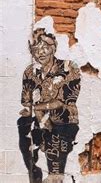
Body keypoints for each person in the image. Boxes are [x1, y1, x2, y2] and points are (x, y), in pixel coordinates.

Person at [17, 28, 81, 183]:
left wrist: (37, 109)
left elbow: (63, 101)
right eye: (36, 49)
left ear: (54, 48)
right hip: (40, 123)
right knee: (23, 127)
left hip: (64, 123)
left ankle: (55, 175)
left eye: (45, 47)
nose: (41, 52)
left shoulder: (69, 68)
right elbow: (26, 101)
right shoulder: (30, 71)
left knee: (56, 153)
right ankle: (35, 172)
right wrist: (31, 114)